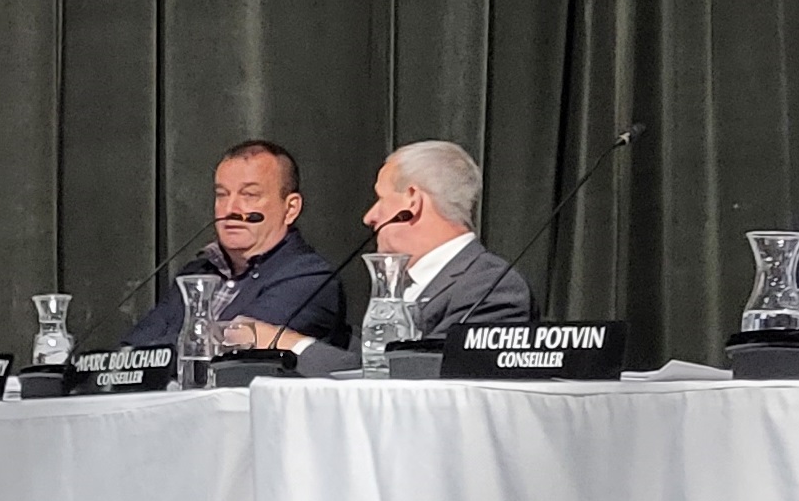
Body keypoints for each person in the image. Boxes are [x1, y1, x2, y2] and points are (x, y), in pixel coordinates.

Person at [228, 140, 533, 373]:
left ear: (411, 202)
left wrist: (292, 345)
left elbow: (416, 378)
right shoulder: (403, 285)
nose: (369, 217)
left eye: (380, 199)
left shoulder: (491, 287)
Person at [122, 138, 347, 351]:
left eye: (249, 195)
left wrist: (159, 354)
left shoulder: (311, 278)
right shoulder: (196, 273)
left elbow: (235, 346)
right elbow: (131, 352)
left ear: (290, 209)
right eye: (222, 195)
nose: (230, 209)